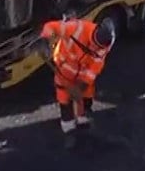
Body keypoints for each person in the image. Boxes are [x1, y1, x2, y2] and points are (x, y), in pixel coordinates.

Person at [39, 15, 113, 148]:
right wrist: (45, 41)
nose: (97, 51)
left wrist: (81, 87)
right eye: (94, 47)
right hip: (64, 73)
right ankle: (69, 132)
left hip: (83, 79)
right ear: (92, 38)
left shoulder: (103, 47)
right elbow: (51, 27)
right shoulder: (76, 28)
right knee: (65, 104)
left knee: (85, 102)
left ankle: (84, 126)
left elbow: (94, 68)